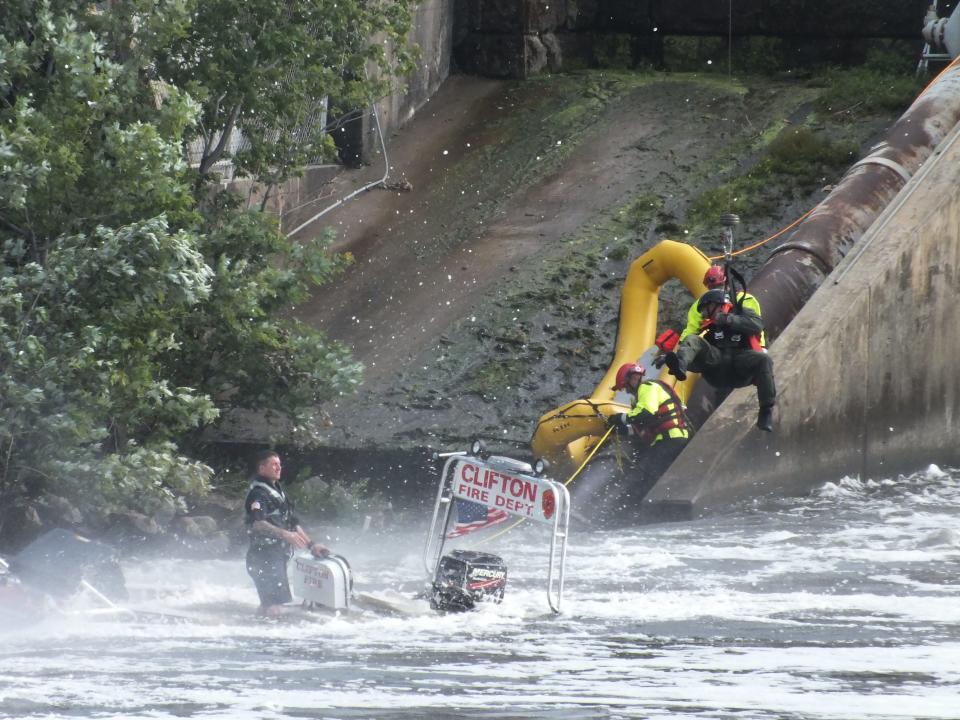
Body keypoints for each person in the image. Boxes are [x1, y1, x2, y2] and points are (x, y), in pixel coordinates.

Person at [659, 288, 776, 432]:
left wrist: (729, 319)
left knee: (764, 359)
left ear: (718, 304)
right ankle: (680, 365)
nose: (705, 315)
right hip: (717, 367)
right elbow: (691, 339)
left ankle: (765, 411)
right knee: (693, 340)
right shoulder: (710, 325)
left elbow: (757, 326)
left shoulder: (741, 312)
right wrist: (673, 357)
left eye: (707, 309)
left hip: (740, 363)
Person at [244, 450, 329, 615]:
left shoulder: (278, 492)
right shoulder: (259, 494)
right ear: (262, 468)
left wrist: (311, 545)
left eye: (279, 464)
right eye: (274, 464)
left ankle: (258, 633)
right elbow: (257, 524)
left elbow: (293, 524)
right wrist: (284, 534)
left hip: (274, 557)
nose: (278, 468)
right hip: (263, 557)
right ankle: (270, 639)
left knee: (269, 605)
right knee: (274, 607)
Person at [607, 362, 691, 499]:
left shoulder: (647, 388)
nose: (627, 391)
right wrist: (623, 430)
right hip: (670, 439)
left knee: (646, 475)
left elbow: (645, 413)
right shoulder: (643, 397)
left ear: (633, 378)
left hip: (669, 439)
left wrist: (619, 418)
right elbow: (643, 427)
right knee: (649, 472)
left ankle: (634, 509)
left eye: (625, 386)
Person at [680, 265, 766, 349]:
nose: (717, 290)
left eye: (719, 286)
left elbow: (755, 325)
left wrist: (760, 346)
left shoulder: (744, 300)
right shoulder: (700, 305)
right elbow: (691, 329)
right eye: (713, 288)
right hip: (718, 347)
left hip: (743, 345)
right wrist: (683, 347)